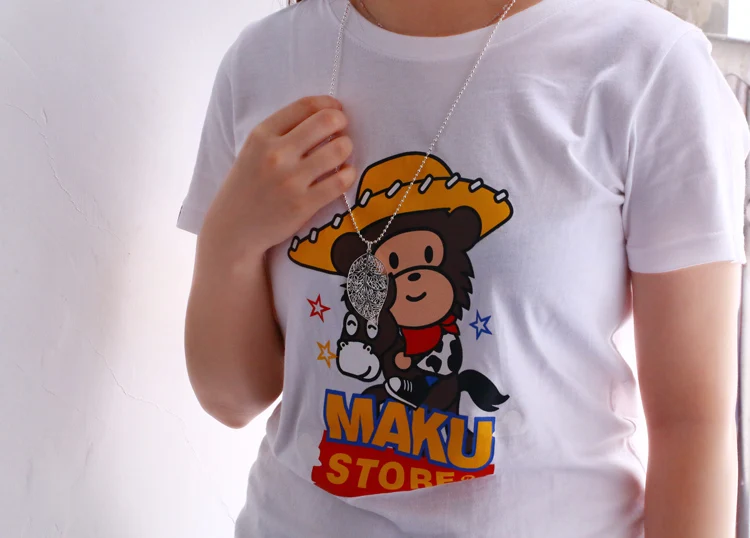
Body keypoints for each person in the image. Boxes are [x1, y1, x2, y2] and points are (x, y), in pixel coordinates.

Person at [175, 0, 750, 536]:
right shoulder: (264, 61)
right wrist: (231, 239)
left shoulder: (646, 65)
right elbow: (233, 399)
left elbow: (692, 428)